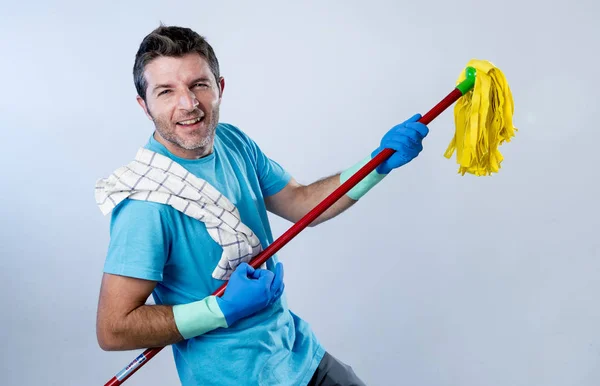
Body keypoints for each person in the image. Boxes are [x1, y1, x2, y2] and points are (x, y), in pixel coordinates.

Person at [95, 25, 429, 386]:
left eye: (199, 85)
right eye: (166, 92)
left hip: (300, 355)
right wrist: (220, 309)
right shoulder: (145, 203)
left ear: (220, 88)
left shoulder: (232, 140)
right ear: (144, 106)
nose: (188, 104)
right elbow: (114, 329)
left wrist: (375, 164)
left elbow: (303, 204)